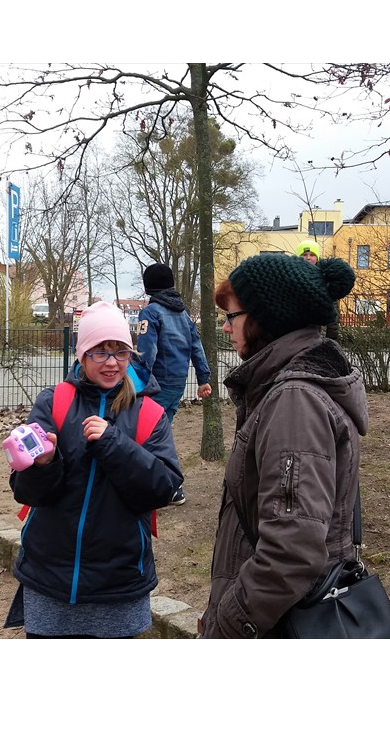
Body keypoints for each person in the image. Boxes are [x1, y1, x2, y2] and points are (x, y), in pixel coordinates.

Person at [199, 253, 367, 638]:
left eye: (232, 317)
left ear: (265, 319)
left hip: (281, 622)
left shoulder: (295, 400)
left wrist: (225, 626)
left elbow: (292, 550)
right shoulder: (285, 389)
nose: (226, 328)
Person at [7, 301, 184, 638]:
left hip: (118, 581)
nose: (112, 362)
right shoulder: (54, 402)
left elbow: (164, 488)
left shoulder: (149, 414)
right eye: (100, 352)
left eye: (121, 352)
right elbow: (26, 493)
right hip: (50, 579)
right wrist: (42, 464)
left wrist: (113, 443)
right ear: (82, 355)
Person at [136, 263, 213, 505]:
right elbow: (196, 346)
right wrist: (203, 378)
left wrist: (139, 383)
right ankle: (170, 486)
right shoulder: (182, 313)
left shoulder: (150, 313)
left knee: (148, 435)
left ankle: (168, 486)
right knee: (163, 432)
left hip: (157, 384)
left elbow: (147, 351)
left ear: (149, 287)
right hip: (178, 383)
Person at [296, 239, 341, 340]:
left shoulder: (324, 278)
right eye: (304, 254)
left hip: (313, 331)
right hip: (292, 330)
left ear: (317, 258)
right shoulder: (289, 275)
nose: (308, 258)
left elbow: (332, 308)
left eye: (312, 255)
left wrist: (332, 337)